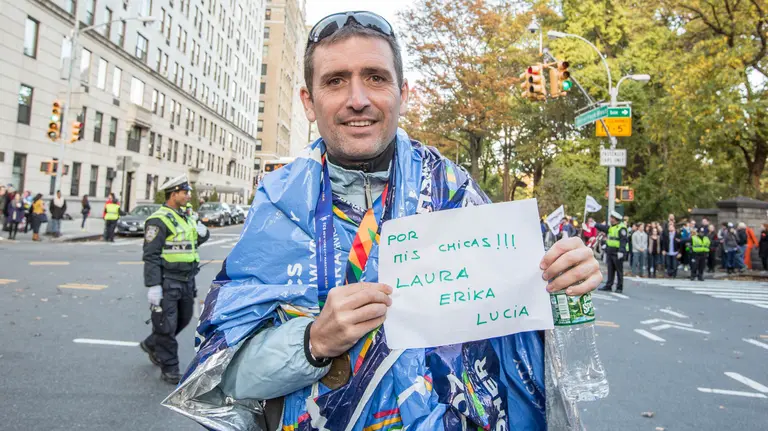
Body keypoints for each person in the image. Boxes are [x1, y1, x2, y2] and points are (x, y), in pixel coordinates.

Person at [163, 12, 602, 429]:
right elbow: (223, 378)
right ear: (309, 102)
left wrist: (563, 282)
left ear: (402, 93)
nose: (358, 99)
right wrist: (312, 342)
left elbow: (519, 338)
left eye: (375, 77)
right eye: (336, 81)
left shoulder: (454, 193)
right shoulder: (279, 208)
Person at [139, 175, 210, 384]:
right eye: (185, 192)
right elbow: (151, 255)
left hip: (187, 280)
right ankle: (170, 367)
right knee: (166, 325)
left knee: (184, 318)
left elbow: (194, 239)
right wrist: (153, 286)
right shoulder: (158, 220)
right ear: (174, 194)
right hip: (167, 281)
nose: (188, 196)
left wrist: (201, 230)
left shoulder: (184, 216)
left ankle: (153, 343)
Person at [596, 211, 628, 292]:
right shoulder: (612, 227)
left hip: (617, 252)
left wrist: (621, 251)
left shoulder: (621, 228)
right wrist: (595, 225)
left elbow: (623, 240)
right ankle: (608, 285)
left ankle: (619, 287)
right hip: (610, 251)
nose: (610, 219)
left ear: (615, 219)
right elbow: (604, 228)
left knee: (619, 271)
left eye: (611, 218)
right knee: (610, 270)